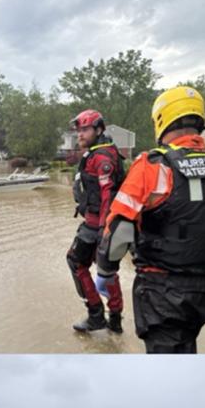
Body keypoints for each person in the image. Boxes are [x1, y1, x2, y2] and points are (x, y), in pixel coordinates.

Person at [97, 86, 205, 353]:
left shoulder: (153, 165)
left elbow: (120, 228)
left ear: (162, 120)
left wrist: (105, 271)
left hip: (162, 291)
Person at [66, 109, 126, 333]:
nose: (80, 134)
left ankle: (96, 315)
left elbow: (107, 195)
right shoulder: (102, 152)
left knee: (75, 261)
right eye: (78, 130)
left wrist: (104, 230)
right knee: (108, 271)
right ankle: (116, 321)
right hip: (104, 224)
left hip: (98, 225)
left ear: (99, 129)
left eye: (85, 129)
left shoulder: (102, 158)